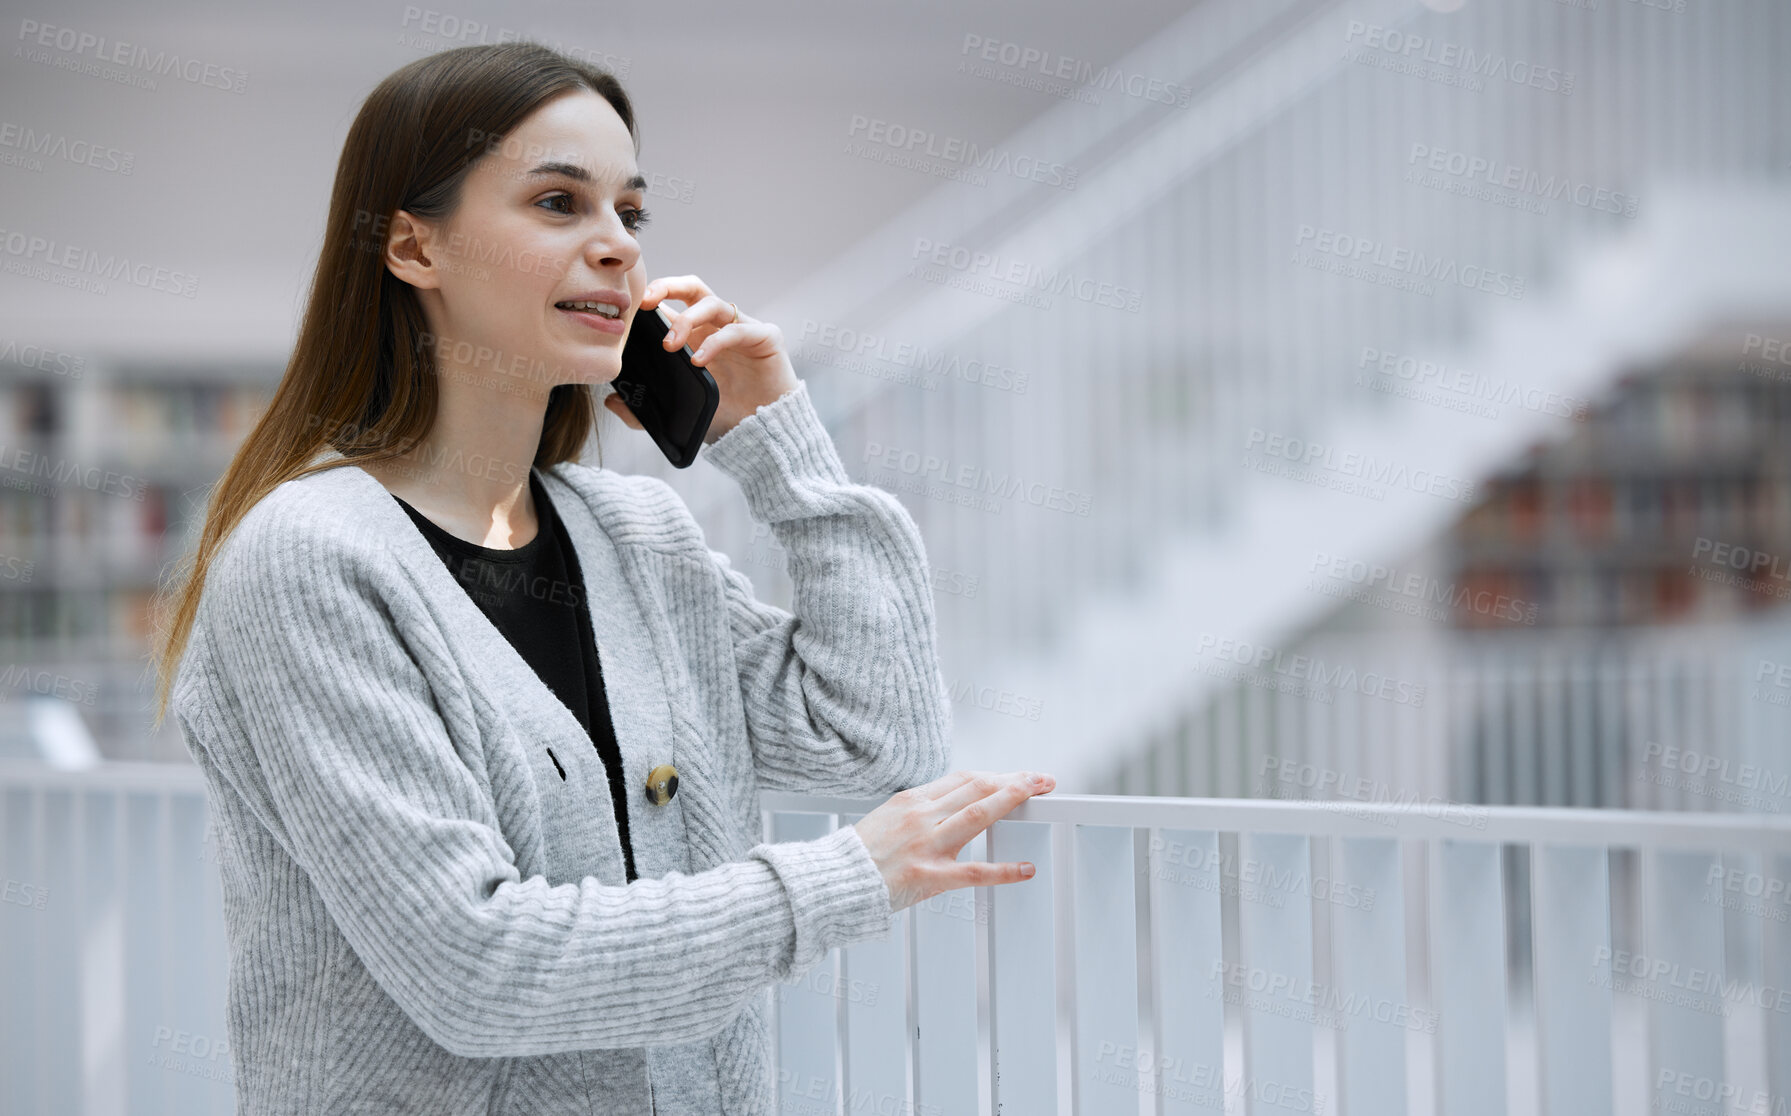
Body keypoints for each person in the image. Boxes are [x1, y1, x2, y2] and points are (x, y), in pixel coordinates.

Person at [146, 40, 1055, 1116]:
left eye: (630, 213)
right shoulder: (311, 559)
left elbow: (877, 741)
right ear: (411, 246)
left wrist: (779, 443)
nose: (617, 247)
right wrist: (847, 878)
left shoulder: (634, 534)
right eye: (557, 202)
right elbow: (475, 967)